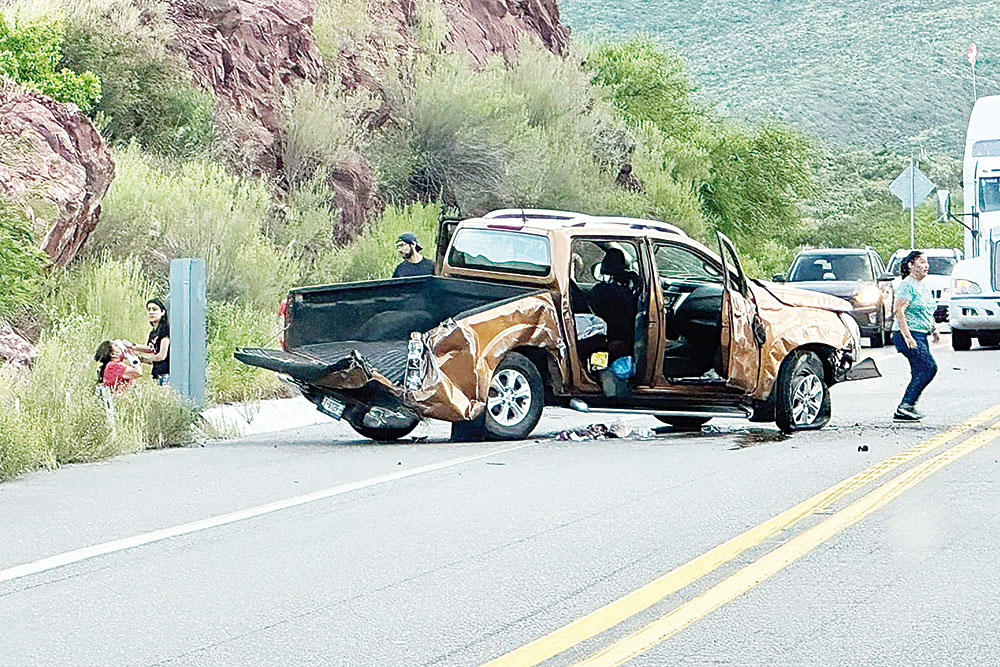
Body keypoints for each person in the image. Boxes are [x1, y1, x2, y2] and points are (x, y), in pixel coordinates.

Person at [891, 250, 939, 421]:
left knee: (919, 369)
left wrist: (933, 329)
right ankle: (906, 405)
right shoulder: (907, 285)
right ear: (910, 265)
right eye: (921, 262)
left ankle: (906, 408)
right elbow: (899, 311)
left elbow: (925, 309)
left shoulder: (923, 286)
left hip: (921, 333)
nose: (926, 266)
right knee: (929, 367)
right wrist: (908, 337)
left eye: (927, 262)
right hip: (907, 334)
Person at [137, 297, 170, 385]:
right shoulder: (153, 333)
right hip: (156, 374)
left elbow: (161, 356)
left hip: (166, 374)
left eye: (154, 309)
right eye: (149, 309)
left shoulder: (165, 330)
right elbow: (151, 349)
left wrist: (144, 358)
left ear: (162, 312)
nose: (151, 312)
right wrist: (133, 347)